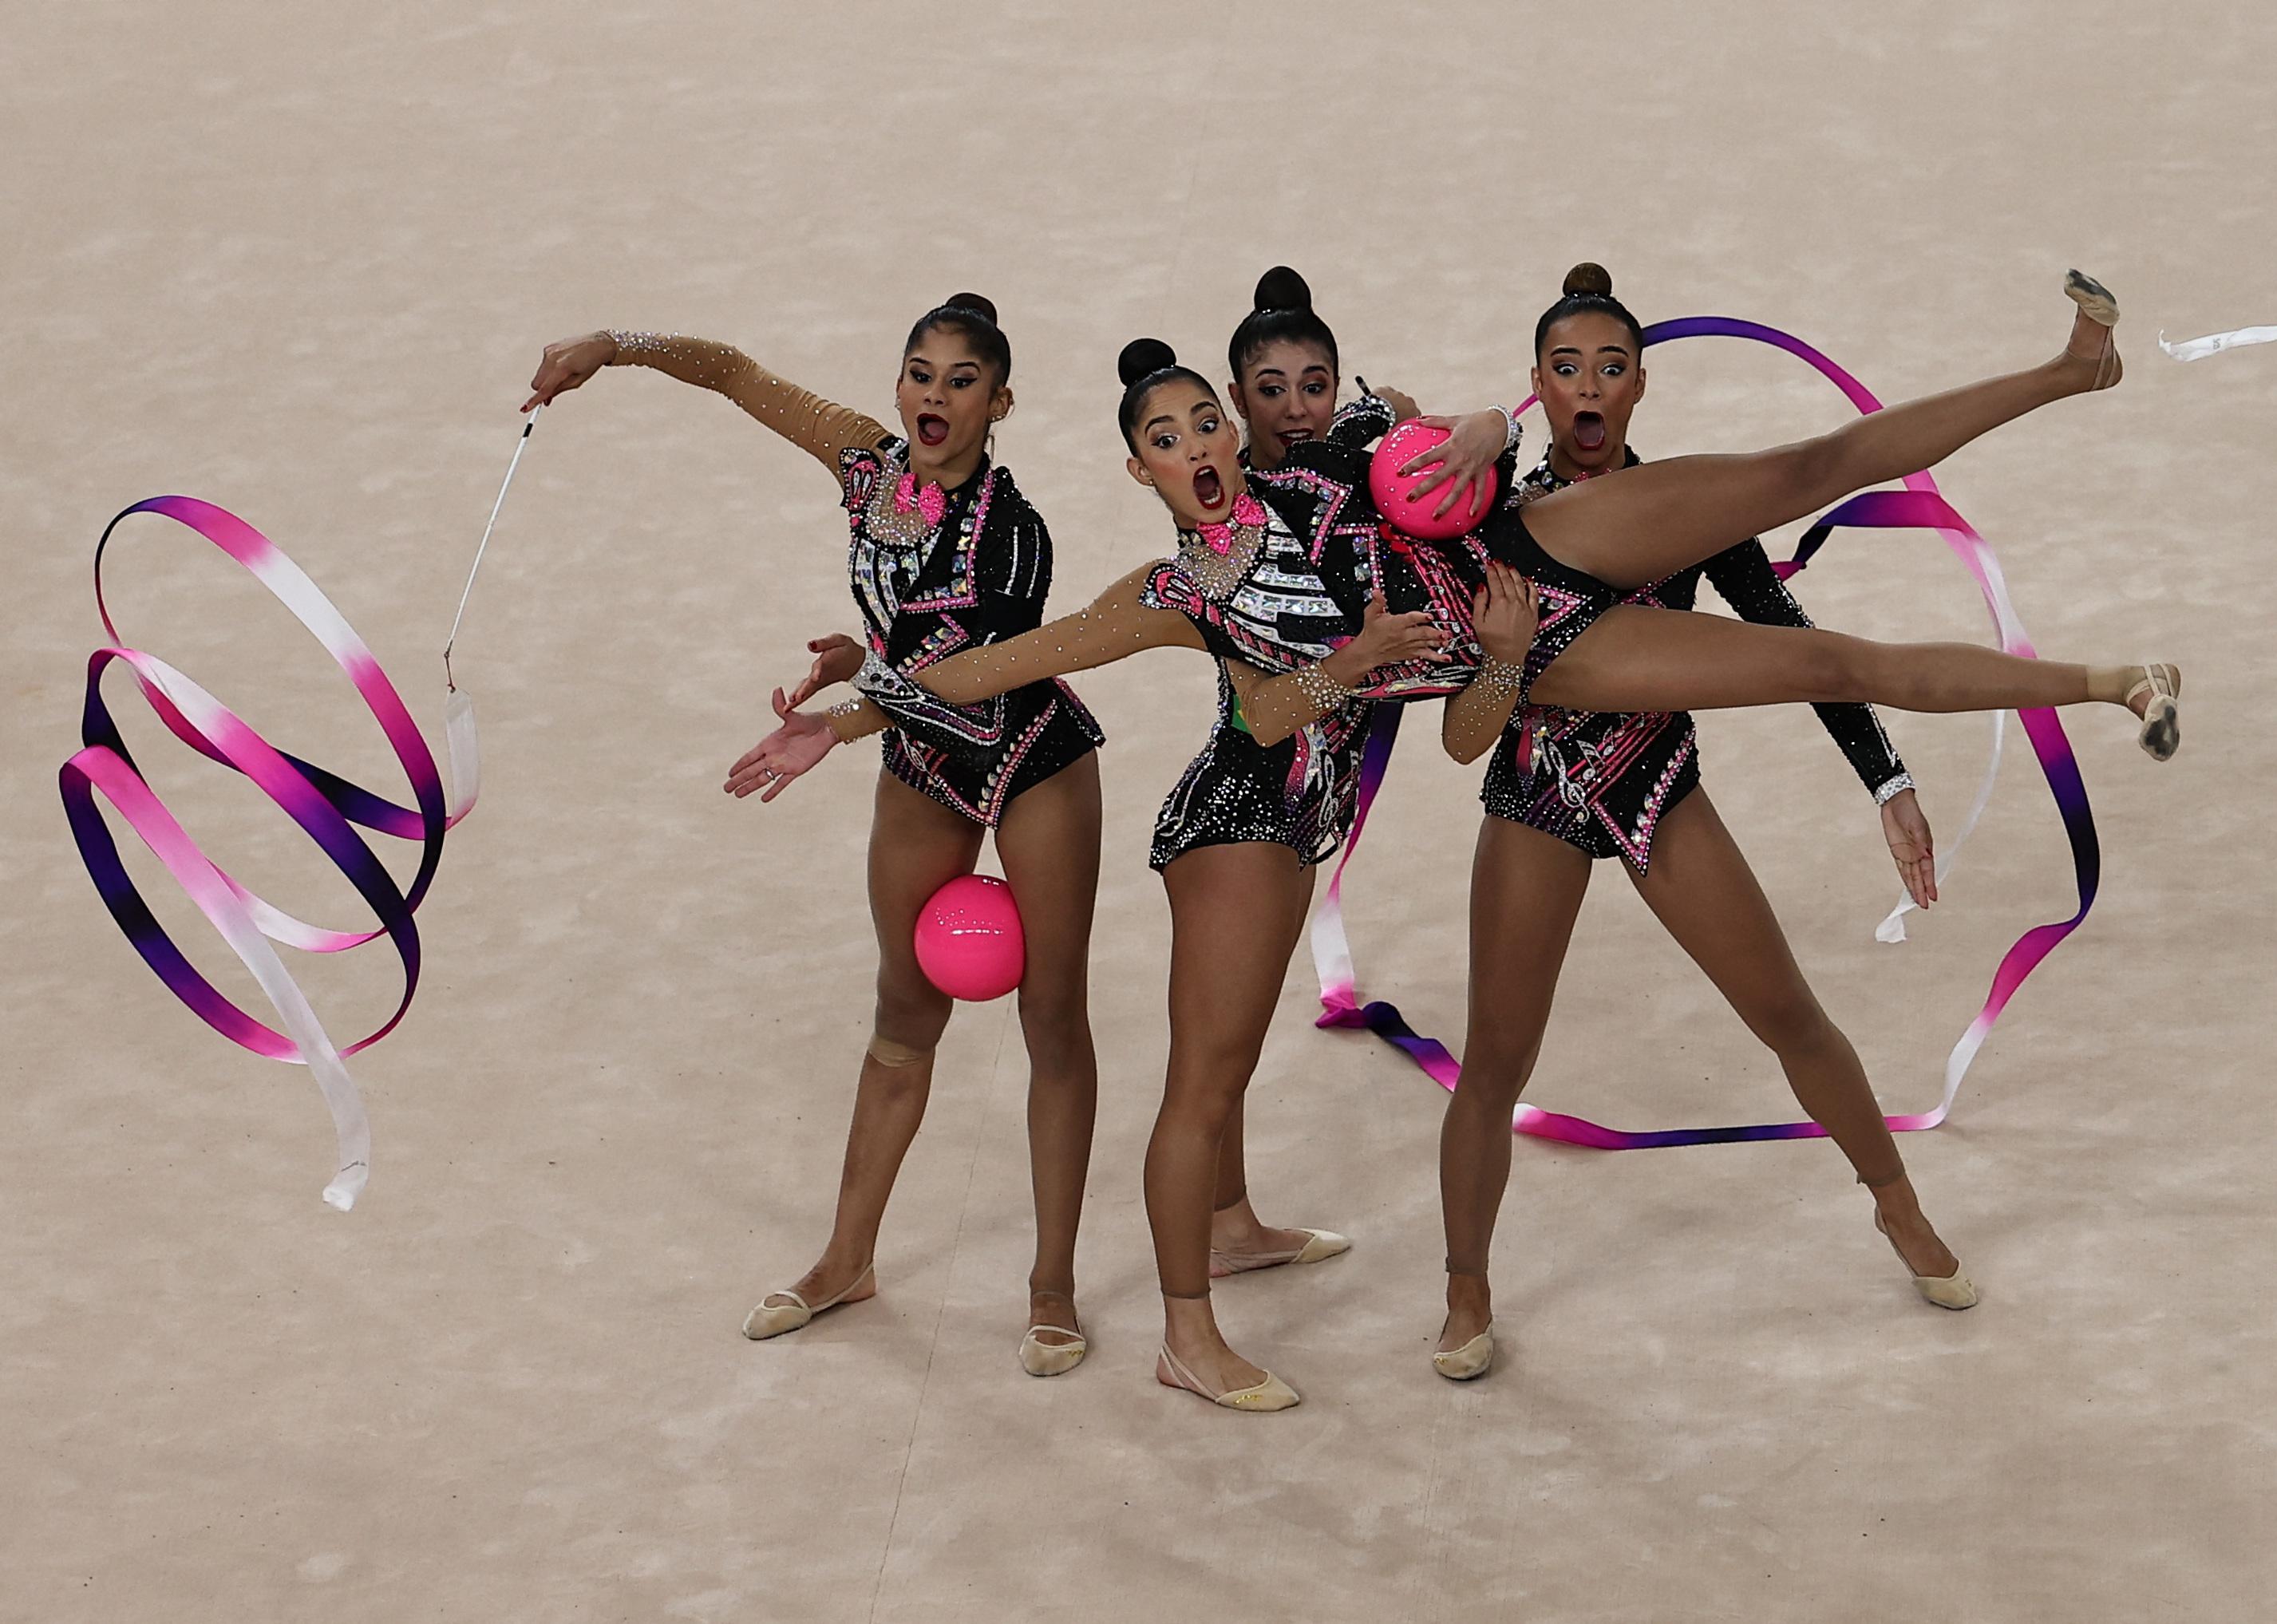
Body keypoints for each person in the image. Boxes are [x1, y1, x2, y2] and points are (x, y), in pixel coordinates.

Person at [522, 297, 1108, 1376]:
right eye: (918, 373)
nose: (932, 396)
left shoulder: (1011, 535)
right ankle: (845, 1258)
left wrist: (836, 721)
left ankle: (1051, 1287)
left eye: (960, 380)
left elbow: (961, 675)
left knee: (1052, 1019)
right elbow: (736, 369)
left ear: (1000, 401)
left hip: (1027, 757)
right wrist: (614, 346)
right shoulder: (864, 464)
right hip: (922, 754)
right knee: (901, 1009)